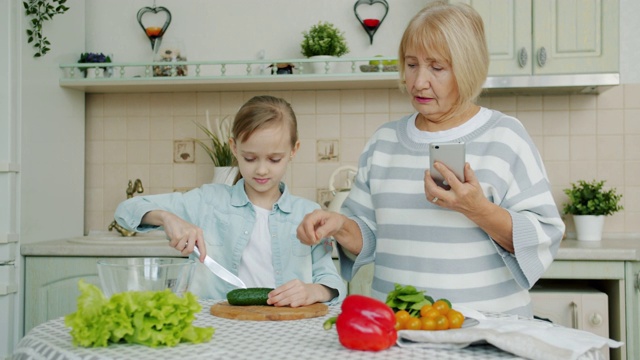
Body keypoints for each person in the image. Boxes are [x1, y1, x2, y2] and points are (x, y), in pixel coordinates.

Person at [297, 1, 564, 317]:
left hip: (490, 334)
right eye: (411, 64)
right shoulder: (384, 142)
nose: (418, 81)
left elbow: (543, 236)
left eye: (436, 67)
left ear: (467, 68)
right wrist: (340, 225)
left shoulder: (505, 137)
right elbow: (367, 238)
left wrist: (479, 210)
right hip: (400, 333)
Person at [114, 95, 346, 307]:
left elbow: (331, 280)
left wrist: (314, 291)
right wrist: (166, 218)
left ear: (294, 150)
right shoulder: (207, 202)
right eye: (250, 158)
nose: (262, 169)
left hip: (288, 328)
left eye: (275, 159)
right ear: (234, 147)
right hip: (215, 328)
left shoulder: (309, 213)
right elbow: (126, 211)